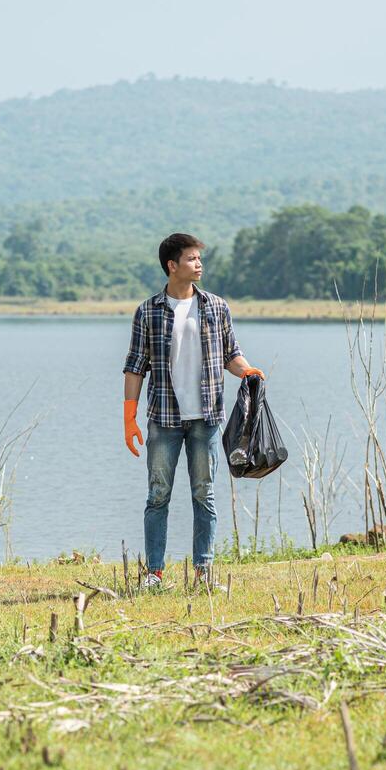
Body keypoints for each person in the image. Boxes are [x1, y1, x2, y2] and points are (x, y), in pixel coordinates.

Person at [121, 233, 264, 589]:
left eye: (199, 258)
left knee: (205, 494)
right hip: (163, 420)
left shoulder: (216, 307)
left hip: (206, 419)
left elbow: (231, 353)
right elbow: (135, 367)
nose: (199, 264)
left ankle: (203, 574)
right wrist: (129, 417)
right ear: (172, 266)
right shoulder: (148, 311)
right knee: (158, 496)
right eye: (191, 259)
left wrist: (247, 370)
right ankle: (154, 573)